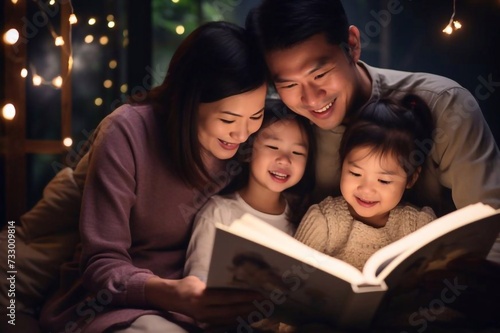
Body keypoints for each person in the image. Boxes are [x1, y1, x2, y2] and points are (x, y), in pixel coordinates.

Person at [39, 21, 269, 333]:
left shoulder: (254, 144)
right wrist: (171, 294)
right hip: (116, 304)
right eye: (228, 119)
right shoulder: (127, 132)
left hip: (207, 305)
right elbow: (100, 264)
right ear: (189, 103)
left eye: (255, 116)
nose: (242, 133)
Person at [245, 0, 500, 224]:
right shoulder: (286, 127)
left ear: (352, 46)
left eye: (320, 74)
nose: (311, 99)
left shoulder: (445, 105)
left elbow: (492, 227)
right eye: (289, 85)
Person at [294, 94, 436, 271]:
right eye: (355, 173)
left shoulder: (419, 227)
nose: (366, 189)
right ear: (342, 163)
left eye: (383, 180)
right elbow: (291, 281)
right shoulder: (324, 221)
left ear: (411, 178)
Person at [184, 98, 316, 284]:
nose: (285, 160)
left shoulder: (305, 217)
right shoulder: (220, 213)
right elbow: (197, 280)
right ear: (247, 152)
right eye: (272, 147)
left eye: (297, 153)